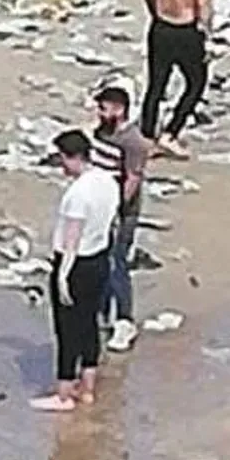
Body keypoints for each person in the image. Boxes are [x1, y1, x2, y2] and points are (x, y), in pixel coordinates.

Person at [31, 130, 120, 413]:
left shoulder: (77, 195)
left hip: (76, 263)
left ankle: (64, 392)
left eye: (62, 159)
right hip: (99, 259)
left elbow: (71, 239)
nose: (61, 166)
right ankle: (88, 387)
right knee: (89, 322)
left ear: (72, 157)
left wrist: (62, 276)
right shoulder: (107, 181)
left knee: (67, 328)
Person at [139, 0, 217, 160]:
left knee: (155, 85)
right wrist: (207, 33)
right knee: (196, 82)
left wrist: (156, 14)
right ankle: (170, 133)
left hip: (160, 27)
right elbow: (201, 2)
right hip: (185, 30)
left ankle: (145, 137)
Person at [89, 86, 150, 352]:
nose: (100, 113)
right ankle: (100, 314)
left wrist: (115, 208)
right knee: (99, 260)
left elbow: (133, 178)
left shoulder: (133, 141)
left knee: (117, 262)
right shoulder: (101, 132)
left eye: (104, 108)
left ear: (119, 109)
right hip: (98, 206)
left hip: (121, 213)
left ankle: (125, 320)